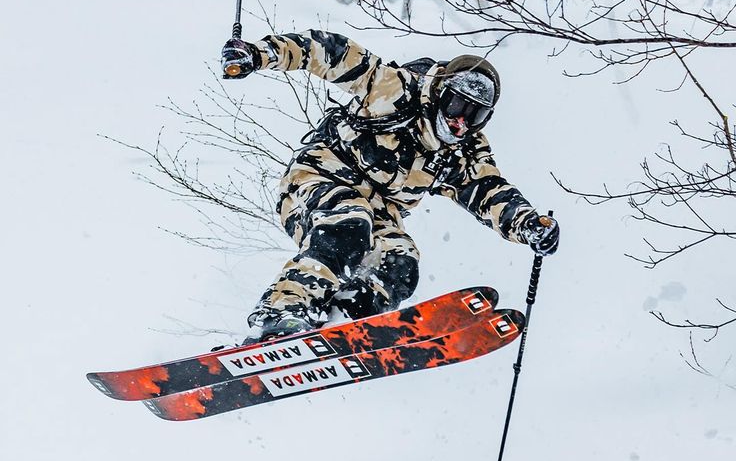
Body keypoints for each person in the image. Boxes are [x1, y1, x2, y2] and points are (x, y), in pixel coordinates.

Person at [221, 29, 559, 341]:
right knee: (349, 224)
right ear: (443, 92)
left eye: (475, 116)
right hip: (319, 179)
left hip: (379, 212)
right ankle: (280, 311)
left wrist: (528, 224)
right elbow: (326, 52)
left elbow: (488, 190)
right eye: (458, 106)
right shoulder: (396, 89)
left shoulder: (463, 150)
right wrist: (258, 53)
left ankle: (347, 315)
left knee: (401, 263)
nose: (460, 122)